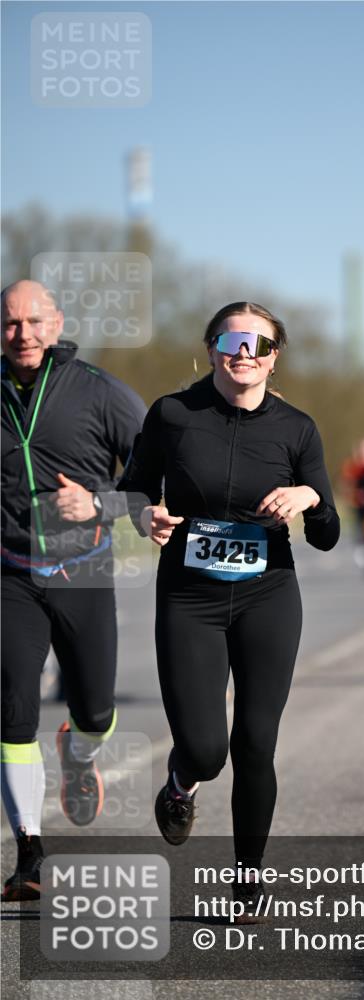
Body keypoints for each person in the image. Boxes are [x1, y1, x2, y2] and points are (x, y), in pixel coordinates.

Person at [118, 301, 339, 916]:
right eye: (234, 340)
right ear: (213, 345)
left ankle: (247, 883)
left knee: (255, 744)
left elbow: (327, 534)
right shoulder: (173, 413)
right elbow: (131, 487)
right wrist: (143, 514)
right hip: (190, 597)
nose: (246, 353)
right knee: (207, 749)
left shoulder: (297, 428)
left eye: (260, 344)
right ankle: (181, 782)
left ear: (275, 357)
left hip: (269, 595)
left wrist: (310, 495)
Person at [1, 280, 146, 900]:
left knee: (94, 710)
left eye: (35, 321)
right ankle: (29, 852)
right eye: (10, 323)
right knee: (12, 711)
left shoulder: (100, 392)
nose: (23, 334)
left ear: (57, 325)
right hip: (10, 573)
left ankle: (80, 754)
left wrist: (100, 503)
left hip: (82, 568)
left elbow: (159, 479)